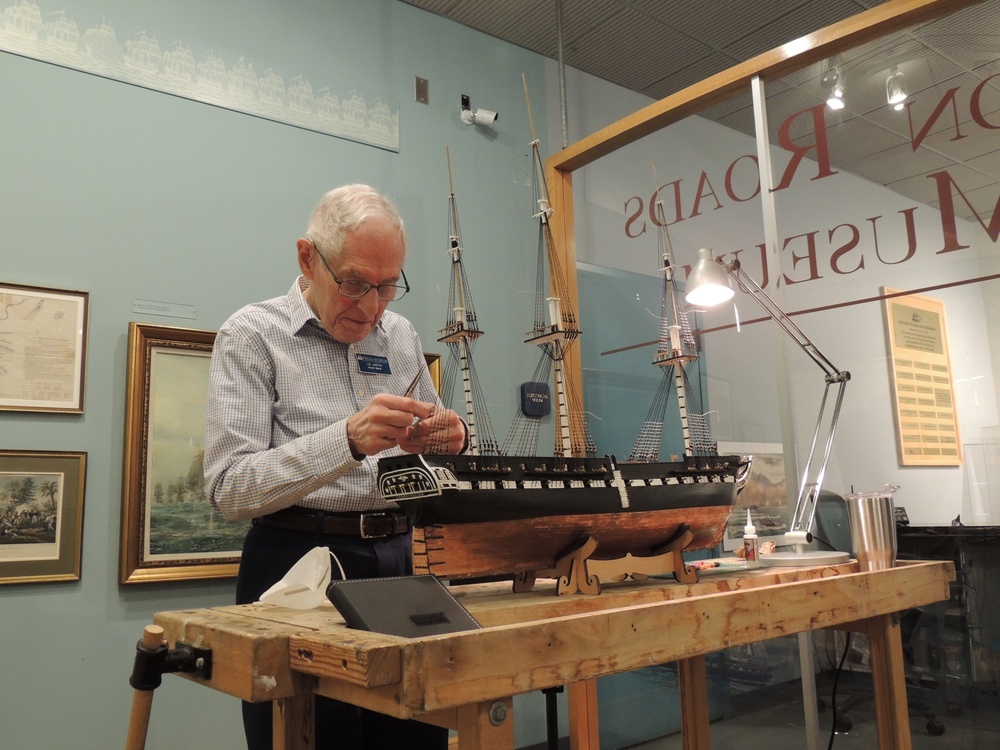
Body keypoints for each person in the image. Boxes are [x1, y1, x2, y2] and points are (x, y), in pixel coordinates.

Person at [204, 184, 466, 750]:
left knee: (415, 735)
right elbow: (229, 488)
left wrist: (451, 438)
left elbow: (424, 449)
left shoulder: (401, 337)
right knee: (310, 737)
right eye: (353, 283)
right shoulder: (250, 335)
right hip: (296, 562)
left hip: (403, 561)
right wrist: (344, 439)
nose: (371, 306)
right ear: (307, 258)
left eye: (388, 285)